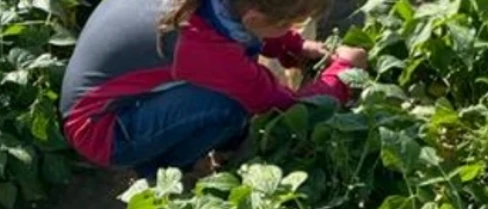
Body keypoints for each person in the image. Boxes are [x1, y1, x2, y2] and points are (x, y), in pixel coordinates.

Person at [59, 0, 368, 178]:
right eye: (289, 25)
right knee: (230, 106)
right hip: (101, 132)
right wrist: (342, 76)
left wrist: (297, 47)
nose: (292, 29)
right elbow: (280, 105)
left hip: (99, 99)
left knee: (227, 87)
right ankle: (162, 170)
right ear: (256, 17)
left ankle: (221, 145)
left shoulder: (216, 8)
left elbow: (249, 31)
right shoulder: (199, 44)